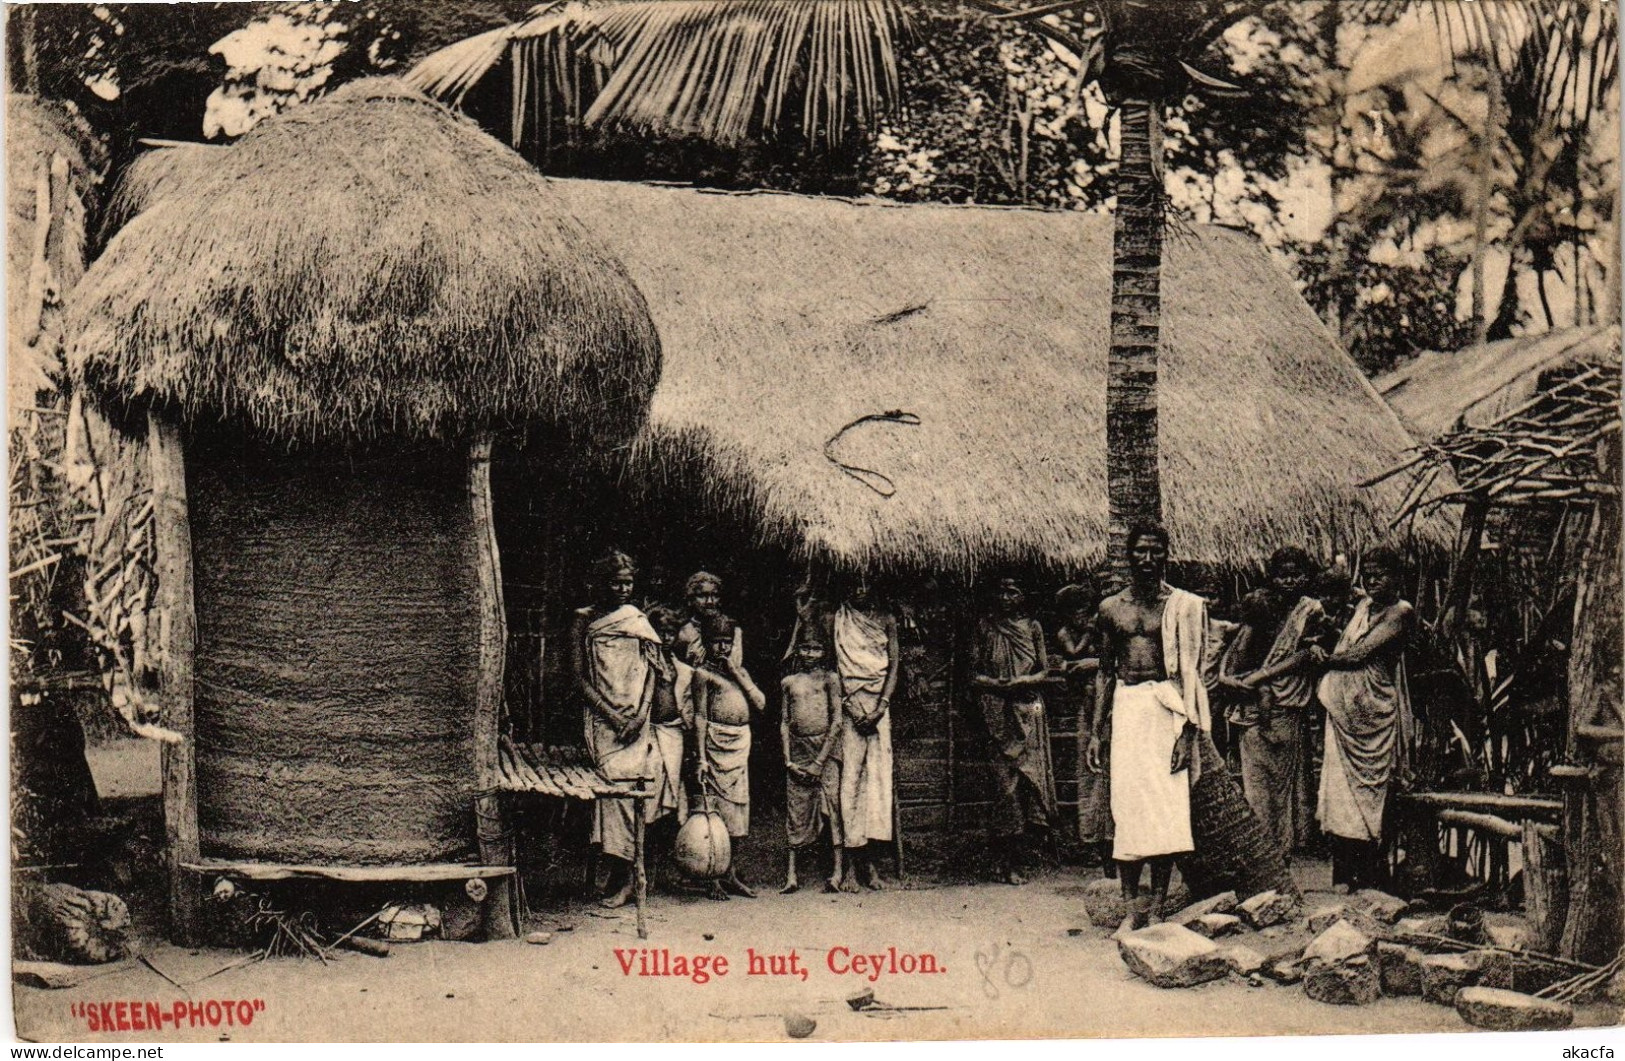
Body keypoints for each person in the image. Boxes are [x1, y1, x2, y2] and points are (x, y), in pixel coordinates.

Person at [1087, 523, 1211, 930]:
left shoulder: (1183, 606)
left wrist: (1188, 733)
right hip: (1129, 709)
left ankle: (1157, 909)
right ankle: (1129, 912)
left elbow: (1193, 675)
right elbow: (1106, 672)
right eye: (1140, 551)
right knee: (1129, 810)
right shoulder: (1111, 609)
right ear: (1128, 554)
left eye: (1155, 551)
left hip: (1168, 710)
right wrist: (1096, 731)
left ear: (1166, 554)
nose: (1147, 558)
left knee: (1166, 814)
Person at [1312, 546, 1415, 893]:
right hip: (1345, 716)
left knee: (1373, 794)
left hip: (1373, 716)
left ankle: (1373, 877)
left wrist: (1321, 659)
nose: (1373, 580)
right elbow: (1345, 646)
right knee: (1341, 792)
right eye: (1368, 574)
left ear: (1398, 577)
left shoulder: (1400, 612)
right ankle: (1343, 875)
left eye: (1381, 573)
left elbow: (1358, 655)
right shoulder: (1362, 609)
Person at [1220, 547, 1324, 863]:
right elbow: (1235, 660)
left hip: (1287, 708)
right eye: (1282, 575)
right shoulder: (1261, 611)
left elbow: (1304, 655)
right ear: (1272, 578)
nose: (1289, 581)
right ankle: (1262, 856)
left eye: (1296, 574)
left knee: (1286, 791)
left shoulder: (1311, 613)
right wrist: (1240, 680)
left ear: (1306, 577)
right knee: (1258, 790)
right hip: (1255, 709)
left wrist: (1260, 676)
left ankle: (1280, 856)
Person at [570, 550, 662, 909]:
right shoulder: (584, 619)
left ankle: (624, 875)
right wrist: (611, 715)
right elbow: (578, 679)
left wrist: (640, 716)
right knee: (615, 786)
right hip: (603, 722)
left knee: (635, 787)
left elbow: (653, 669)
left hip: (637, 721)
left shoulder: (636, 619)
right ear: (600, 583)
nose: (623, 589)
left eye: (628, 582)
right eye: (615, 582)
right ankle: (619, 867)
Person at [973, 577, 1058, 885]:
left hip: (1029, 709)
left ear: (1023, 595)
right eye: (1001, 590)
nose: (1006, 596)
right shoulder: (986, 626)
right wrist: (996, 684)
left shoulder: (1032, 627)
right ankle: (1003, 860)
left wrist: (1023, 682)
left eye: (1014, 591)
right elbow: (973, 674)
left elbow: (1044, 671)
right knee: (1004, 789)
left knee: (1029, 785)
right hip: (997, 711)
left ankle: (1019, 860)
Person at [690, 614, 766, 898]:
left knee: (738, 812)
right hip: (714, 745)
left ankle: (731, 873)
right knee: (716, 811)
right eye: (716, 643)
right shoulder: (702, 674)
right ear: (707, 644)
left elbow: (760, 704)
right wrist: (701, 757)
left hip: (739, 746)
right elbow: (699, 716)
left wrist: (735, 673)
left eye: (727, 642)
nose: (722, 648)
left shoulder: (739, 672)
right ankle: (713, 878)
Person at [832, 575, 899, 892]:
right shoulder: (838, 618)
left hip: (878, 709)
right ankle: (848, 866)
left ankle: (871, 865)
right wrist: (852, 707)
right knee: (850, 783)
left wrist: (880, 707)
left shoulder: (886, 619)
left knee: (878, 782)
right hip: (850, 707)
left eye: (865, 583)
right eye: (853, 584)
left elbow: (894, 664)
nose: (859, 589)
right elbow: (834, 666)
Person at [779, 633, 844, 894]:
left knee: (833, 806)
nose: (809, 654)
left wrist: (820, 760)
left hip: (825, 752)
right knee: (796, 810)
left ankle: (837, 872)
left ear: (824, 652)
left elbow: (837, 720)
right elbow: (784, 721)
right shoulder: (789, 682)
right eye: (805, 648)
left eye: (815, 648)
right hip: (798, 751)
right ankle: (792, 875)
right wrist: (788, 759)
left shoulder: (830, 679)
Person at [1054, 582, 1111, 875]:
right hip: (1089, 710)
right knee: (1091, 775)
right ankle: (1094, 842)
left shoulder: (1101, 633)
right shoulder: (1069, 635)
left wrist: (1094, 663)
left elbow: (1112, 664)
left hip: (1110, 707)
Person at [644, 605, 695, 883]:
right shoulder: (643, 663)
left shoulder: (682, 669)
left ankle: (662, 870)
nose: (665, 638)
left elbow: (685, 705)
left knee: (671, 800)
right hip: (649, 735)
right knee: (649, 798)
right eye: (660, 632)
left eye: (670, 633)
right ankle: (643, 871)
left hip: (673, 735)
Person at [678, 571, 740, 666]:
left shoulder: (732, 628)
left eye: (715, 596)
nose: (710, 601)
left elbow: (735, 664)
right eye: (702, 596)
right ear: (690, 600)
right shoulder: (684, 630)